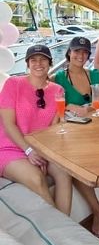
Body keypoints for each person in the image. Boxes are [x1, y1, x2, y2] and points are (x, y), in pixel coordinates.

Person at [54, 36, 99, 235]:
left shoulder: (94, 74)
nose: (80, 55)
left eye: (84, 52)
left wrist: (91, 106)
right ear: (69, 53)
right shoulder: (59, 78)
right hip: (74, 131)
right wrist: (69, 105)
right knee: (77, 168)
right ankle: (97, 210)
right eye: (76, 51)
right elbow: (54, 106)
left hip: (97, 126)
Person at [0, 44, 72, 214]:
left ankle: (66, 225)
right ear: (27, 64)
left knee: (64, 173)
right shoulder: (13, 84)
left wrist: (44, 154)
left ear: (50, 63)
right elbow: (8, 124)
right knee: (37, 178)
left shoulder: (58, 90)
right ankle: (62, 233)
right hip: (10, 148)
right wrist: (29, 150)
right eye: (33, 60)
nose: (38, 63)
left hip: (40, 148)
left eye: (43, 59)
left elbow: (53, 128)